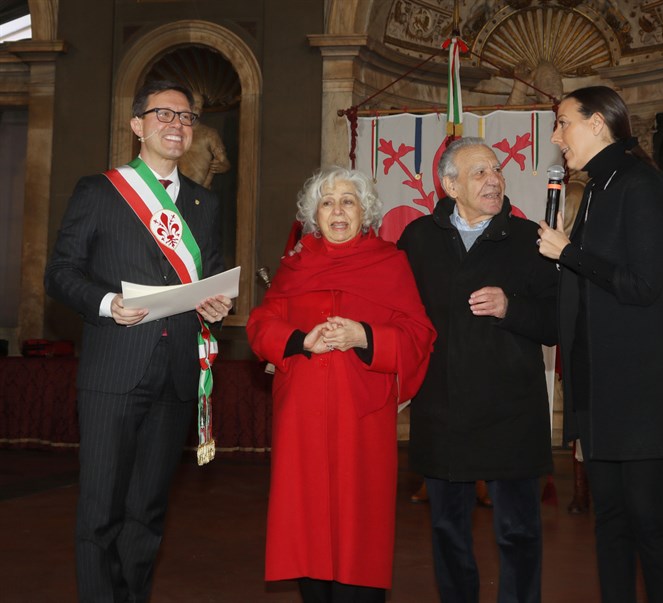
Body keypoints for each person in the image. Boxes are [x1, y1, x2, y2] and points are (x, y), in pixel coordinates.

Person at [44, 79, 232, 602]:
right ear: (137, 126)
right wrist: (107, 304)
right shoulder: (99, 191)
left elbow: (209, 275)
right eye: (164, 115)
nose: (177, 125)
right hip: (114, 371)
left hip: (176, 373)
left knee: (147, 512)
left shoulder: (204, 204)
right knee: (100, 509)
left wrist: (217, 304)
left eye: (186, 117)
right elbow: (60, 273)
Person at [537, 86, 663, 603]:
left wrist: (569, 252)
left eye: (563, 122)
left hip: (639, 392)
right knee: (608, 522)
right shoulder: (600, 189)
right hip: (599, 388)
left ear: (599, 124)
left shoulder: (638, 185)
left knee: (649, 525)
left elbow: (643, 285)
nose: (556, 136)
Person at [246, 166, 436, 603]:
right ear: (314, 214)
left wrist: (364, 336)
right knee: (308, 528)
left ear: (364, 211)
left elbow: (418, 334)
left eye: (348, 201)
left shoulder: (391, 262)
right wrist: (298, 339)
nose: (337, 210)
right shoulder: (294, 265)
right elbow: (261, 324)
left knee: (359, 528)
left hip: (362, 419)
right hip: (302, 421)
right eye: (327, 202)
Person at [397, 137, 558, 603]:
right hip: (442, 411)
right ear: (450, 185)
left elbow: (556, 325)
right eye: (479, 173)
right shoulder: (418, 239)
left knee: (519, 535)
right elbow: (394, 310)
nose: (494, 180)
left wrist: (512, 307)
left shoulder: (531, 241)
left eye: (496, 170)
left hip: (513, 412)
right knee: (448, 533)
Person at [177, 94, 231, 188]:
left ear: (201, 110)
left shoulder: (209, 134)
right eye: (193, 103)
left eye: (199, 104)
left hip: (200, 190)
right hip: (174, 191)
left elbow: (223, 161)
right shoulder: (175, 131)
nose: (195, 107)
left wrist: (222, 165)